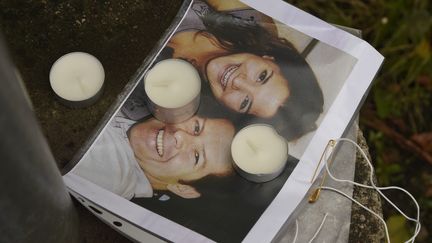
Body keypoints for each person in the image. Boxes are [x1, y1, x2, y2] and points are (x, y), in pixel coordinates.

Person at [166, 0, 323, 139]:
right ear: (269, 58)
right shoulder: (246, 19)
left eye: (245, 103)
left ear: (230, 112)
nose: (238, 81)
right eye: (262, 76)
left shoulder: (171, 102)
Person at [72, 113, 234, 200]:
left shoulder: (113, 176)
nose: (180, 135)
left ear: (181, 188)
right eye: (197, 127)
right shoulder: (131, 121)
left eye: (197, 156)